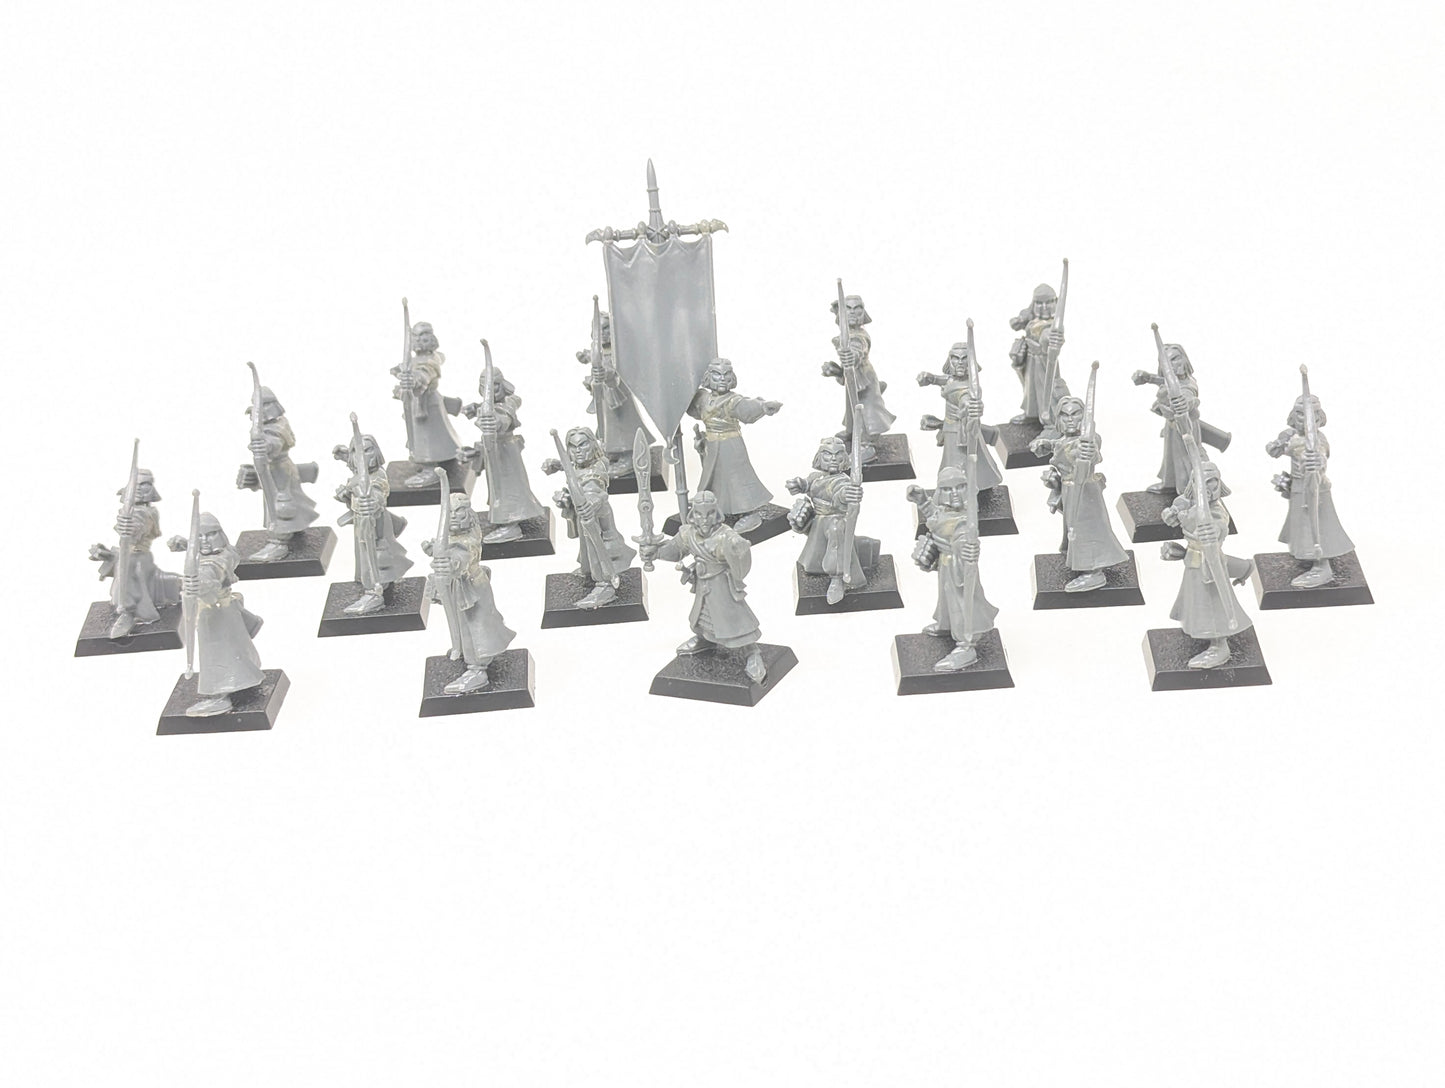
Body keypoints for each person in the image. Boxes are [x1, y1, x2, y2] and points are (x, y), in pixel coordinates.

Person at [639, 490, 767, 684]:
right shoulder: (688, 533)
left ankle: (752, 652)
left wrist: (739, 552)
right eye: (699, 514)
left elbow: (741, 563)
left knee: (734, 617)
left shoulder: (726, 536)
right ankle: (705, 640)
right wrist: (655, 553)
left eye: (709, 513)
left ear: (716, 513)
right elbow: (675, 550)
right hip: (702, 583)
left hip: (721, 584)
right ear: (693, 514)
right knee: (701, 616)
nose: (704, 519)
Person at [1029, 395, 1129, 592]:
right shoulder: (1065, 440)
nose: (1070, 419)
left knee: (1087, 529)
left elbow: (1090, 451)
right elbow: (1061, 446)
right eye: (1064, 415)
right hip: (1069, 488)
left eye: (1075, 414)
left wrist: (1088, 452)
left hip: (1084, 491)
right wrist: (1045, 445)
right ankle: (1078, 558)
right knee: (1073, 527)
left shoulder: (1086, 441)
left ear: (1084, 418)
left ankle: (1093, 572)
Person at [1159, 461, 1254, 669]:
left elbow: (1219, 526)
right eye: (1201, 482)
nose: (1206, 487)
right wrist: (1171, 513)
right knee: (1195, 599)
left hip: (1209, 564)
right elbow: (1179, 507)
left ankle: (1219, 646)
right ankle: (1246, 568)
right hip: (1193, 559)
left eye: (1212, 482)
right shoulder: (1189, 502)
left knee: (1212, 602)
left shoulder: (1217, 511)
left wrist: (1212, 530)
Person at [422, 493, 517, 694]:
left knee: (475, 627)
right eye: (450, 512)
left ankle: (477, 668)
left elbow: (462, 557)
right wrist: (435, 551)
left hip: (472, 588)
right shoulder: (453, 537)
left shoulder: (468, 541)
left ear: (469, 515)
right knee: (462, 623)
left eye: (459, 512)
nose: (453, 516)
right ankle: (465, 650)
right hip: (459, 587)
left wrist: (450, 563)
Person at [907, 466, 999, 671]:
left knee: (962, 601)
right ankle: (946, 623)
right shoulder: (946, 512)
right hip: (945, 563)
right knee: (946, 597)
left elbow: (966, 539)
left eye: (960, 487)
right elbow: (937, 519)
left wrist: (969, 550)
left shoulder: (965, 519)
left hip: (959, 566)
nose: (954, 493)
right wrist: (922, 501)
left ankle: (967, 645)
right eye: (948, 489)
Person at [1266, 390, 1354, 588]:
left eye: (1310, 415)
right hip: (1297, 486)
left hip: (1314, 489)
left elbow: (1320, 456)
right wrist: (1276, 447)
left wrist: (1316, 461)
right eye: (1300, 414)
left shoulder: (1318, 441)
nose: (1305, 419)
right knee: (1300, 525)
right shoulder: (1291, 435)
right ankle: (1308, 556)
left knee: (1316, 526)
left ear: (1318, 417)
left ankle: (1322, 567)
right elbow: (1277, 449)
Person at [541, 426, 637, 609]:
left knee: (597, 547)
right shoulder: (579, 466)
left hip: (598, 516)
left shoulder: (596, 470)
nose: (578, 451)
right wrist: (559, 469)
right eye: (573, 446)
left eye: (583, 445)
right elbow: (572, 469)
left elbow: (596, 489)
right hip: (585, 516)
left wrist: (591, 503)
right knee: (587, 548)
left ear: (593, 445)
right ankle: (588, 570)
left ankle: (605, 584)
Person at [181, 512, 266, 717]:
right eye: (199, 536)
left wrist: (198, 584)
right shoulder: (221, 554)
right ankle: (244, 677)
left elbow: (211, 574)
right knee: (233, 647)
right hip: (220, 610)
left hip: (215, 612)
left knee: (217, 652)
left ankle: (220, 696)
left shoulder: (217, 561)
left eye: (210, 534)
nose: (204, 541)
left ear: (219, 534)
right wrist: (186, 544)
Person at [686, 357, 781, 533]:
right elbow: (692, 408)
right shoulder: (703, 397)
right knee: (713, 477)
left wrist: (763, 406)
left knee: (736, 479)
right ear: (708, 377)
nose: (722, 379)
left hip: (730, 445)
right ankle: (710, 505)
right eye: (717, 375)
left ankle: (749, 513)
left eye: (726, 375)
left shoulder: (732, 400)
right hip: (711, 444)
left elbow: (747, 407)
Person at [88, 468, 180, 639]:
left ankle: (128, 613)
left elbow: (136, 533)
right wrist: (105, 553)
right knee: (123, 575)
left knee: (129, 580)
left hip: (137, 559)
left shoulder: (145, 513)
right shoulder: (133, 511)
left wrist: (127, 527)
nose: (138, 489)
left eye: (143, 485)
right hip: (129, 555)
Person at [461, 365, 546, 543]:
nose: (490, 391)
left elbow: (504, 416)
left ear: (503, 384)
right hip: (494, 451)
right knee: (499, 488)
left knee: (509, 486)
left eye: (495, 385)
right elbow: (489, 409)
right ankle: (509, 518)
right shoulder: (489, 405)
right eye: (485, 386)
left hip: (505, 451)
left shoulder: (508, 403)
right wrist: (476, 409)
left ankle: (511, 524)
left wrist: (494, 422)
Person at [235, 384, 320, 561]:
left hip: (280, 469)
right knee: (281, 500)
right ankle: (294, 529)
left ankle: (279, 542)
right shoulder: (270, 424)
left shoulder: (278, 425)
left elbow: (276, 442)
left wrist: (265, 445)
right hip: (275, 468)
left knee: (281, 505)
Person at [786, 437, 873, 605]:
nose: (833, 459)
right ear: (820, 457)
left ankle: (837, 579)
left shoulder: (843, 481)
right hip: (817, 522)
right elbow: (808, 485)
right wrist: (799, 485)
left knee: (836, 535)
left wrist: (848, 495)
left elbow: (841, 493)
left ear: (844, 458)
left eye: (838, 454)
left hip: (835, 520)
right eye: (828, 454)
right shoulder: (816, 477)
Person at [333, 432, 413, 615]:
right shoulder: (360, 473)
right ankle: (380, 582)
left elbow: (377, 492)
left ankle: (375, 592)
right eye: (356, 451)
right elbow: (357, 471)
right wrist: (346, 493)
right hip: (361, 521)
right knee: (365, 554)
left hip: (373, 521)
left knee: (376, 554)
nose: (361, 456)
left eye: (367, 451)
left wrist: (370, 502)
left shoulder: (378, 476)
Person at [576, 309, 653, 477]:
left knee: (622, 423)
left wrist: (606, 373)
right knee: (607, 423)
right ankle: (613, 449)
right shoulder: (601, 350)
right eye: (598, 330)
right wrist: (586, 357)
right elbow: (596, 357)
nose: (602, 334)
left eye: (606, 328)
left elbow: (616, 370)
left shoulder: (620, 351)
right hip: (604, 395)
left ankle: (628, 453)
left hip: (618, 394)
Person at [917, 341, 1003, 488]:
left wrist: (971, 406)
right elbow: (946, 380)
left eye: (964, 359)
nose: (960, 363)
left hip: (959, 432)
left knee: (958, 461)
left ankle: (964, 486)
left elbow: (967, 399)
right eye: (956, 358)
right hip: (951, 427)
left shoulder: (967, 388)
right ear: (950, 360)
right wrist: (931, 378)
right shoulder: (953, 379)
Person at [823, 293, 895, 463]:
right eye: (848, 309)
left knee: (866, 408)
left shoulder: (859, 336)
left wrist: (852, 356)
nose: (853, 312)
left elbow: (858, 350)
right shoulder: (848, 332)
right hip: (854, 376)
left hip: (864, 377)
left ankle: (867, 443)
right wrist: (837, 370)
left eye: (857, 308)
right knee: (852, 405)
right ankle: (852, 431)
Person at [392, 318, 463, 487]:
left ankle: (430, 468)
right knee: (431, 435)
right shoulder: (421, 359)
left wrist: (413, 380)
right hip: (419, 403)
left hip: (425, 405)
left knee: (427, 438)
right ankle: (441, 458)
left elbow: (424, 374)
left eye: (422, 337)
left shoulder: (430, 361)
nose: (418, 341)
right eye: (415, 337)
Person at [1008, 283, 1068, 425]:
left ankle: (1050, 420)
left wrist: (1052, 340)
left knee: (1046, 389)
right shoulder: (1032, 319)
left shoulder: (1053, 325)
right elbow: (1015, 324)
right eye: (1039, 303)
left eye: (1048, 302)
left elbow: (1051, 338)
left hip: (1044, 360)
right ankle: (1031, 414)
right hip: (1030, 359)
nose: (1044, 307)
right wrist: (1020, 319)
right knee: (1030, 388)